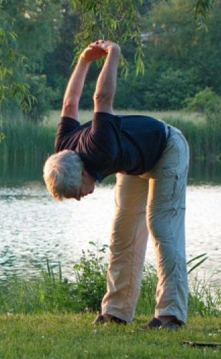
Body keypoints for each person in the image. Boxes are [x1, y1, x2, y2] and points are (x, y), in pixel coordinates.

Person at [43, 39, 190, 330]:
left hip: (167, 148)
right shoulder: (63, 148)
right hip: (134, 162)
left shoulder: (99, 147)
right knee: (122, 233)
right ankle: (116, 311)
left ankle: (171, 314)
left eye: (76, 193)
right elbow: (70, 103)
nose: (80, 198)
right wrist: (83, 60)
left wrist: (113, 54)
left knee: (161, 225)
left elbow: (102, 99)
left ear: (82, 172)